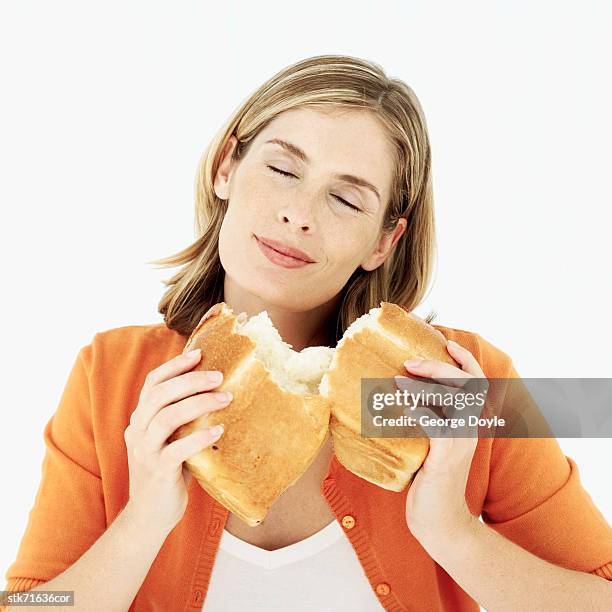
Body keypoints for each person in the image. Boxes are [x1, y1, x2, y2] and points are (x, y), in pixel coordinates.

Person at [2, 54, 611, 612]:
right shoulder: (111, 376)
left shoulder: (460, 381)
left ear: (383, 241)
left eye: (346, 200)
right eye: (282, 168)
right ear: (225, 169)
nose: (299, 213)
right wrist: (141, 523)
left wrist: (449, 529)